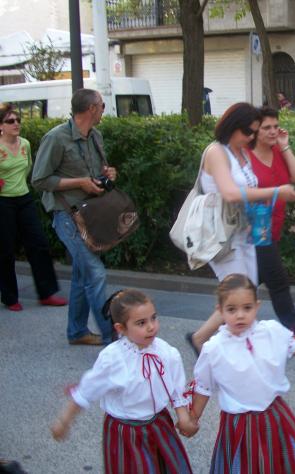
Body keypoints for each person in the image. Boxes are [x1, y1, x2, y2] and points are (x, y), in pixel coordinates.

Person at [186, 103, 295, 352]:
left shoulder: (241, 151)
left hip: (244, 232)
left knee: (243, 294)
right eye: (249, 131)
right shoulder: (217, 151)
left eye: (254, 131)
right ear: (232, 127)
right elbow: (230, 193)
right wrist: (275, 192)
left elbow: (249, 189)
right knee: (239, 295)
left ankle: (205, 339)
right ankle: (227, 345)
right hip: (223, 235)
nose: (252, 137)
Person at [190, 273, 295, 473]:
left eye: (247, 308)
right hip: (239, 424)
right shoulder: (214, 348)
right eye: (231, 309)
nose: (240, 315)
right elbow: (203, 387)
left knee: (278, 462)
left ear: (257, 306)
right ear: (220, 310)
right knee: (244, 465)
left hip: (274, 416)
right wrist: (193, 418)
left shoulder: (270, 332)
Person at [50, 289, 197, 473]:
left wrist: (183, 417)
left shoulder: (165, 351)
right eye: (141, 323)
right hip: (125, 432)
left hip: (159, 424)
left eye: (153, 318)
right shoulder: (113, 359)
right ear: (120, 328)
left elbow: (175, 387)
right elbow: (86, 391)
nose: (151, 327)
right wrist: (64, 421)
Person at [31, 89, 115, 345]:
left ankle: (77, 331)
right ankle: (113, 338)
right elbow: (39, 180)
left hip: (90, 214)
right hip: (66, 215)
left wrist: (107, 174)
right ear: (91, 108)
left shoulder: (95, 136)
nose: (103, 110)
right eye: (102, 105)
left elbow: (96, 173)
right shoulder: (56, 138)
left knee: (81, 274)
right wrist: (80, 182)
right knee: (95, 273)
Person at [246, 106, 295, 343]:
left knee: (245, 288)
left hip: (272, 230)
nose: (273, 131)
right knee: (278, 284)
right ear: (255, 131)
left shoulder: (278, 151)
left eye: (276, 126)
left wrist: (285, 145)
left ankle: (210, 334)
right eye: (267, 127)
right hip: (255, 233)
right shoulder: (245, 156)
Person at [0, 103, 67, 312]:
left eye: (18, 120)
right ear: (1, 126)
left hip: (24, 198)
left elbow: (28, 168)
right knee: (5, 250)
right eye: (10, 121)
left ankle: (46, 293)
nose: (16, 124)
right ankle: (10, 297)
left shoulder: (25, 144)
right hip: (3, 201)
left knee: (39, 244)